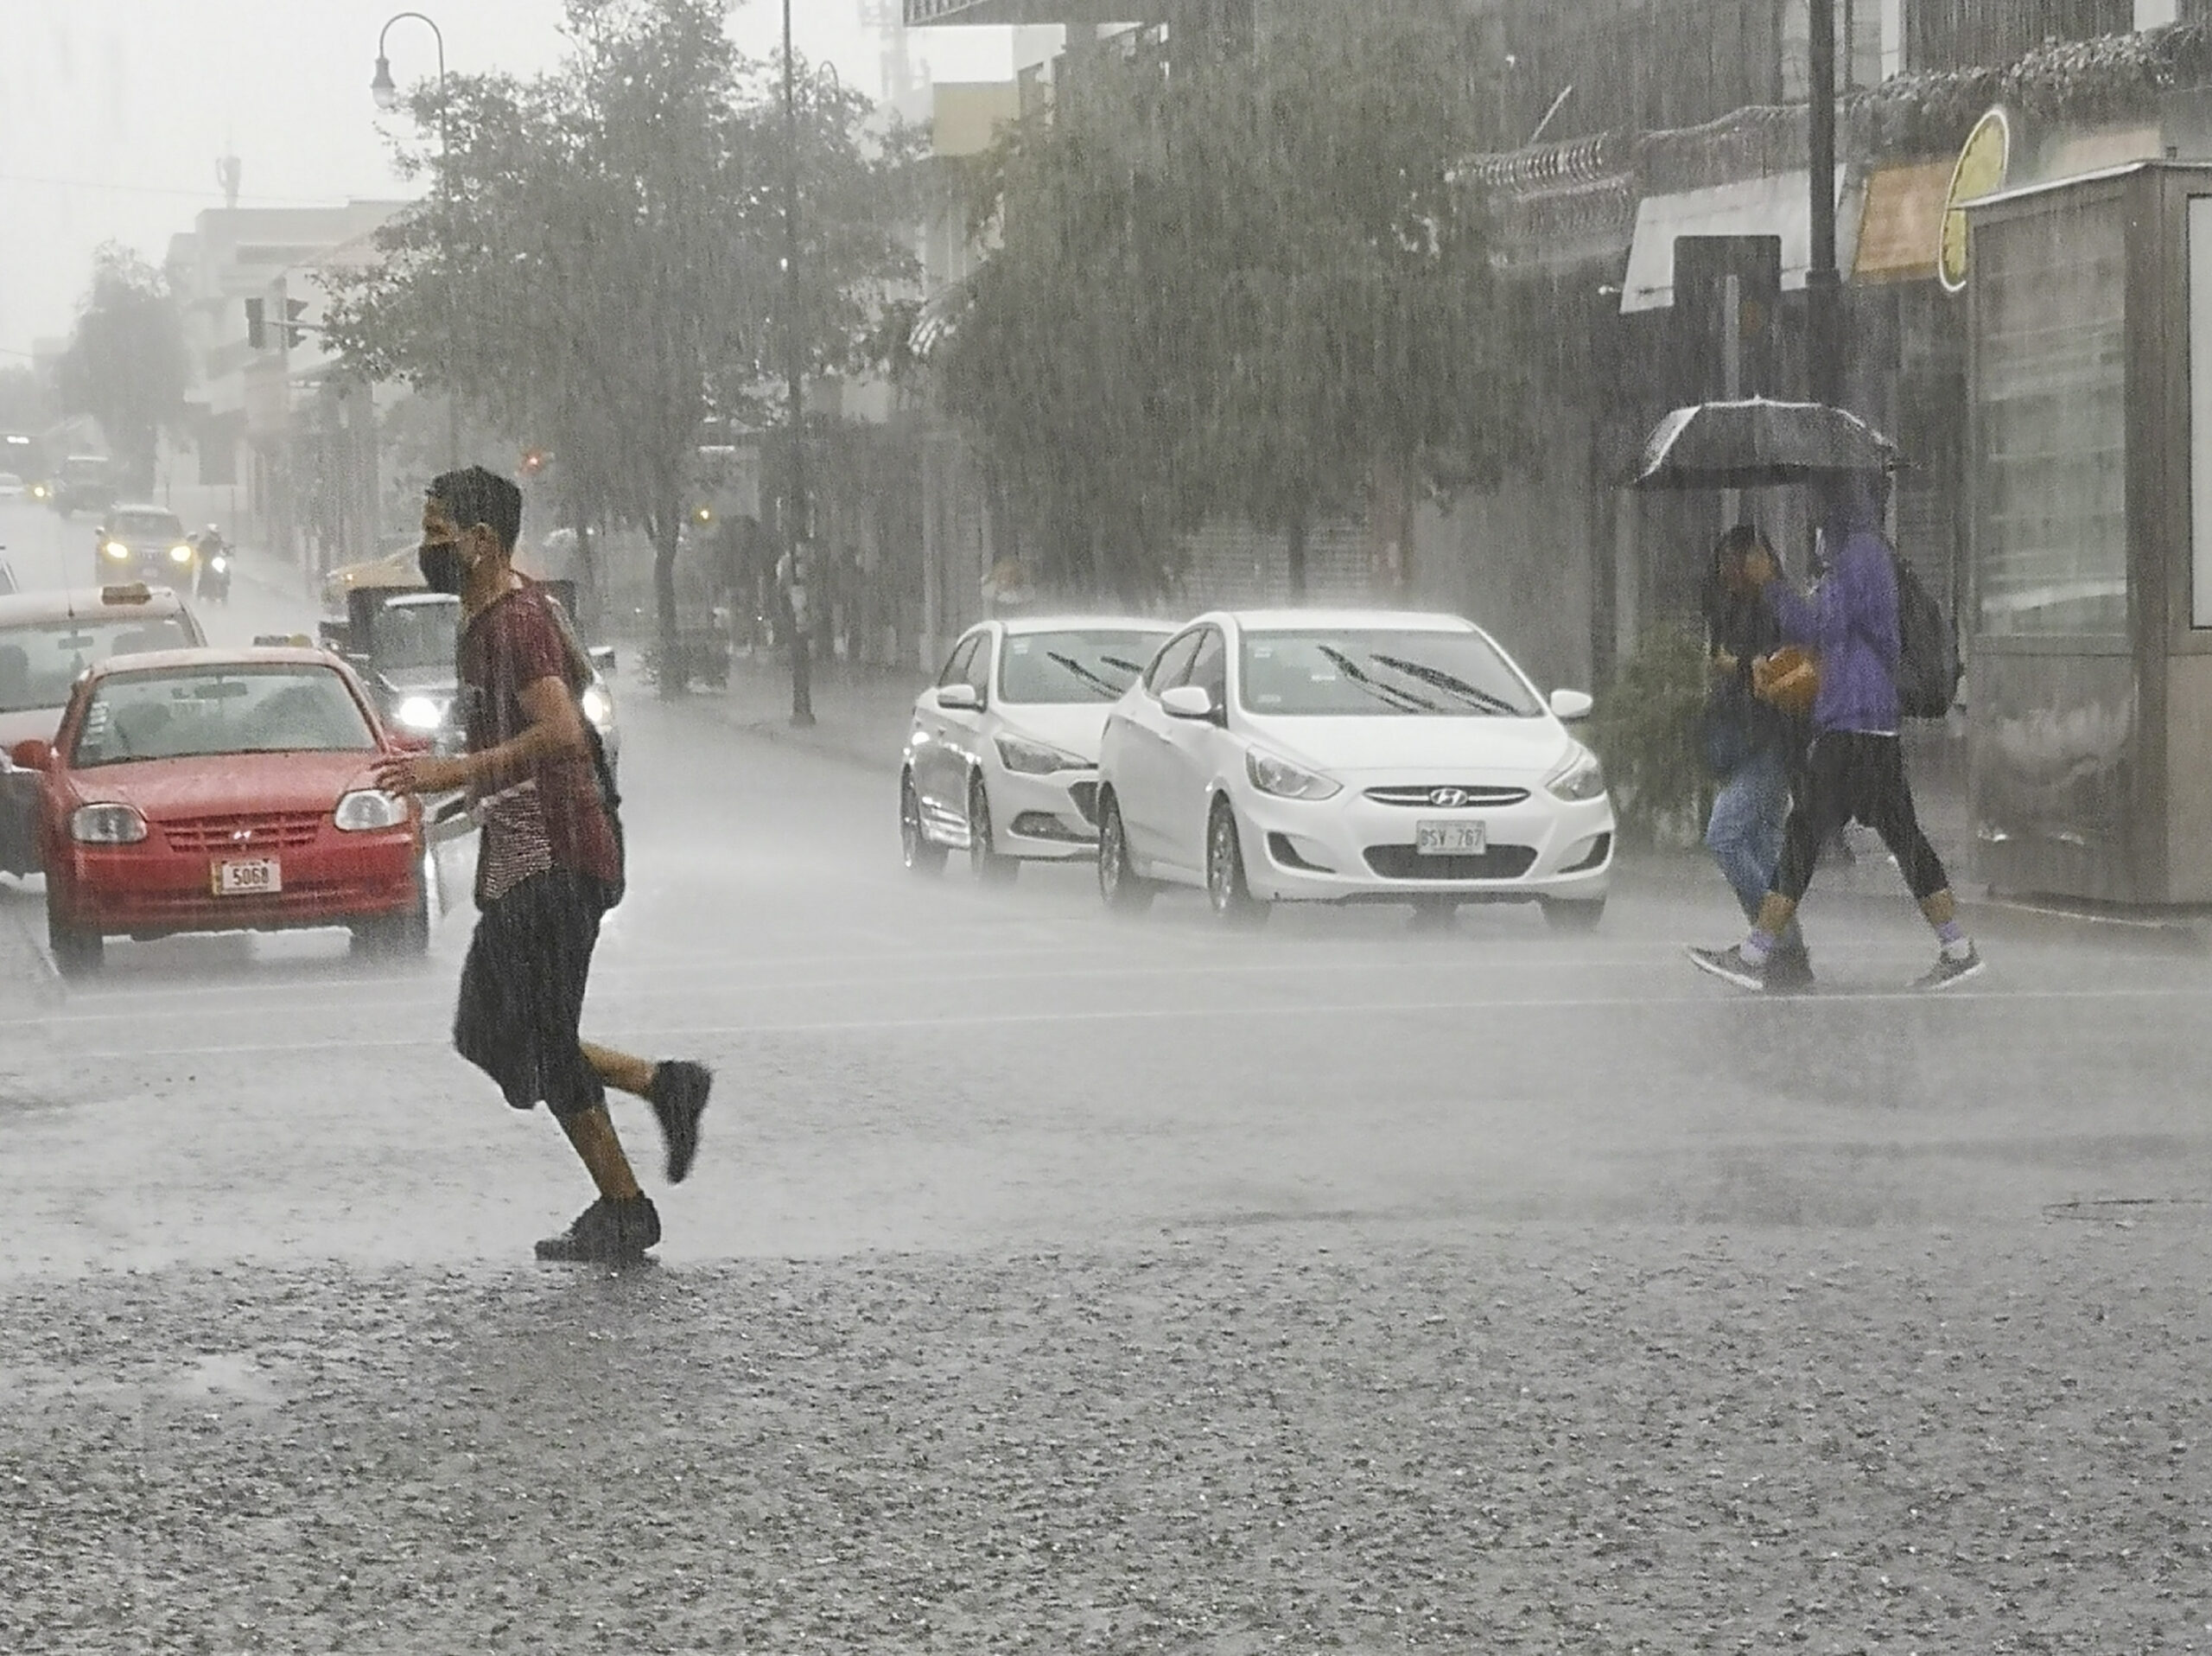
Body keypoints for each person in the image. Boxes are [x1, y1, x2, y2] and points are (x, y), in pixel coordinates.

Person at [373, 466, 713, 1263]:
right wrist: (464, 801)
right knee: (493, 1032)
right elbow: (534, 755)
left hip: (558, 863)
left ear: (481, 542)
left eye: (436, 533)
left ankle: (626, 1205)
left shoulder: (515, 623)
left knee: (531, 1038)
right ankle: (660, 1087)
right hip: (531, 861)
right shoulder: (493, 615)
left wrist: (450, 773)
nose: (426, 548)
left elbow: (560, 734)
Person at [1688, 469, 1983, 992]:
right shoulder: (1859, 556)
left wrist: (1772, 584)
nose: (1818, 514)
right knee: (1896, 838)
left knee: (1805, 838)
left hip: (1854, 722)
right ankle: (1956, 947)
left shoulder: (1862, 557)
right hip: (1868, 724)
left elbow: (1815, 629)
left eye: (1826, 500)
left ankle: (1760, 957)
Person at [1698, 525, 1813, 990]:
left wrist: (1744, 666)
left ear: (1759, 559)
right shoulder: (1732, 606)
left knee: (1724, 837)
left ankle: (1768, 944)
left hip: (1772, 742)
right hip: (1744, 741)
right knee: (1765, 848)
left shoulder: (1779, 604)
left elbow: (1786, 665)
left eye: (1736, 561)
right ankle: (1788, 955)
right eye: (1723, 562)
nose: (1728, 571)